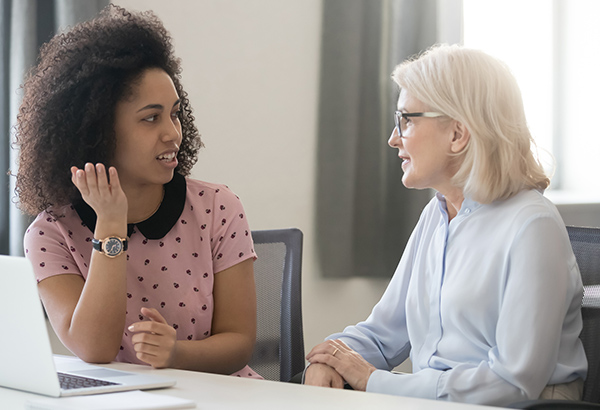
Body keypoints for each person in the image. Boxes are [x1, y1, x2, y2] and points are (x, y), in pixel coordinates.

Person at [303, 44, 587, 406]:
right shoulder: (436, 215)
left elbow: (512, 384)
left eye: (407, 120)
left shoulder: (533, 226)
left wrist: (373, 381)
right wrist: (329, 358)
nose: (394, 138)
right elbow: (383, 334)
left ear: (457, 134)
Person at [15, 4, 261, 379]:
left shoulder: (218, 207)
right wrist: (111, 225)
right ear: (97, 130)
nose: (173, 134)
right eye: (151, 118)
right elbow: (94, 349)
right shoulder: (50, 235)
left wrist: (176, 353)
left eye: (175, 113)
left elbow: (240, 342)